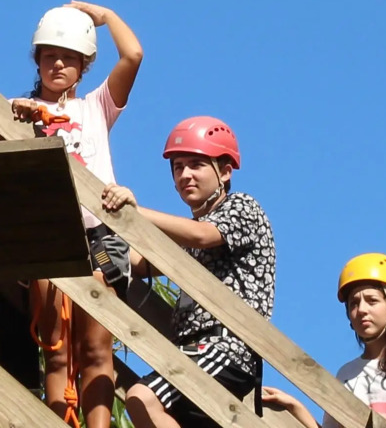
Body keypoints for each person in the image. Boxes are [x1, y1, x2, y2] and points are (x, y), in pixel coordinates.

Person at [10, 2, 144, 428]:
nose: (59, 64)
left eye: (69, 57)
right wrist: (18, 123)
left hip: (98, 236)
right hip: (48, 236)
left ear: (84, 65)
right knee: (56, 350)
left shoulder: (94, 108)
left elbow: (133, 56)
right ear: (38, 60)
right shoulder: (16, 109)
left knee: (96, 349)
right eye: (50, 55)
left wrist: (102, 16)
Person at [103, 116, 275, 428]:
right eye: (178, 167)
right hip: (194, 350)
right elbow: (143, 263)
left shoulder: (243, 208)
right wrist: (98, 237)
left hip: (226, 347)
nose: (185, 175)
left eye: (196, 165)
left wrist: (133, 212)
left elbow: (204, 236)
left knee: (142, 397)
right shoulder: (190, 233)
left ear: (224, 171)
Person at [263, 254, 386, 428]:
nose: (361, 310)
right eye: (354, 303)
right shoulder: (346, 374)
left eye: (372, 300)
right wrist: (296, 407)